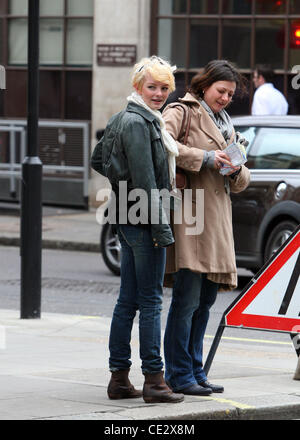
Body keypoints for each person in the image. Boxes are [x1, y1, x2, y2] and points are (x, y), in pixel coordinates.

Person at [91, 56, 184, 404]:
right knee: (150, 301)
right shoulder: (139, 123)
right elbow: (146, 183)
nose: (159, 93)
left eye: (164, 88)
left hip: (127, 215)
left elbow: (98, 159)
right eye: (152, 87)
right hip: (144, 219)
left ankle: (118, 379)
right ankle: (155, 381)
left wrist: (121, 180)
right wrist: (162, 228)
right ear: (137, 86)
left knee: (128, 301)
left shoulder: (126, 117)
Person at [162, 60, 251, 396]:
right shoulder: (182, 110)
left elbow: (243, 178)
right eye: (221, 91)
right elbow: (164, 144)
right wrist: (205, 157)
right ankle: (178, 373)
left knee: (204, 302)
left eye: (230, 94)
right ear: (205, 85)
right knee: (186, 301)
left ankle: (196, 371)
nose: (226, 98)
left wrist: (233, 169)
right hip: (191, 218)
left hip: (217, 222)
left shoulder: (227, 125)